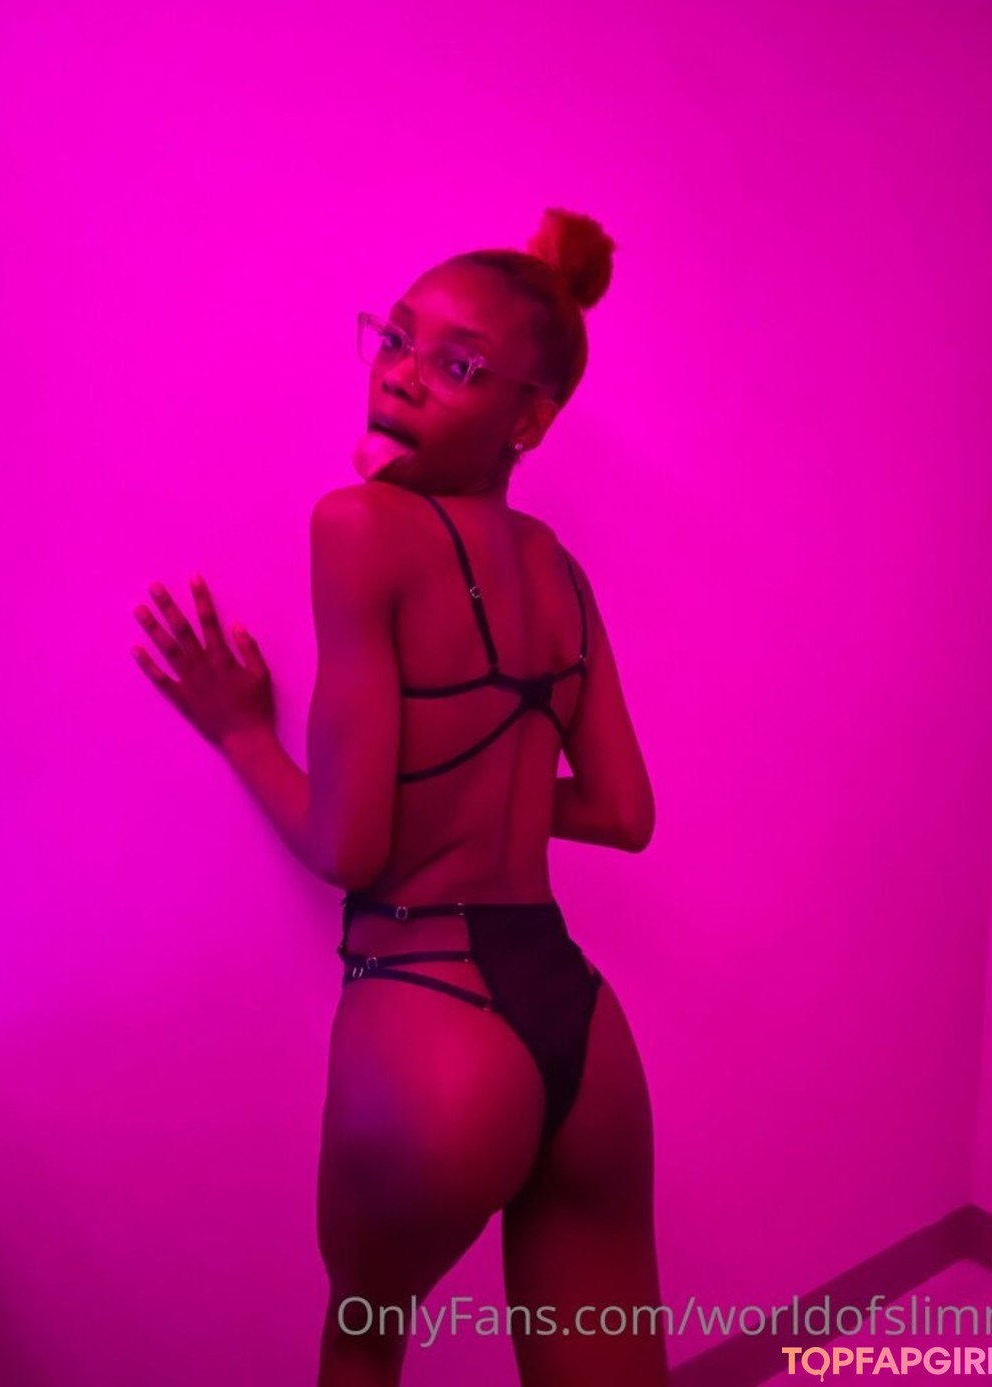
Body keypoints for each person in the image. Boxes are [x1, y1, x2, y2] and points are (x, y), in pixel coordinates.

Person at [131, 208, 667, 1387]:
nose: (403, 375)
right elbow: (625, 812)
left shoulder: (359, 525)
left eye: (459, 365)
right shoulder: (560, 572)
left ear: (530, 419)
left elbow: (351, 846)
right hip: (583, 1030)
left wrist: (241, 731)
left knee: (365, 1347)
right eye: (397, 339)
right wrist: (490, 789)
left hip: (431, 1016)